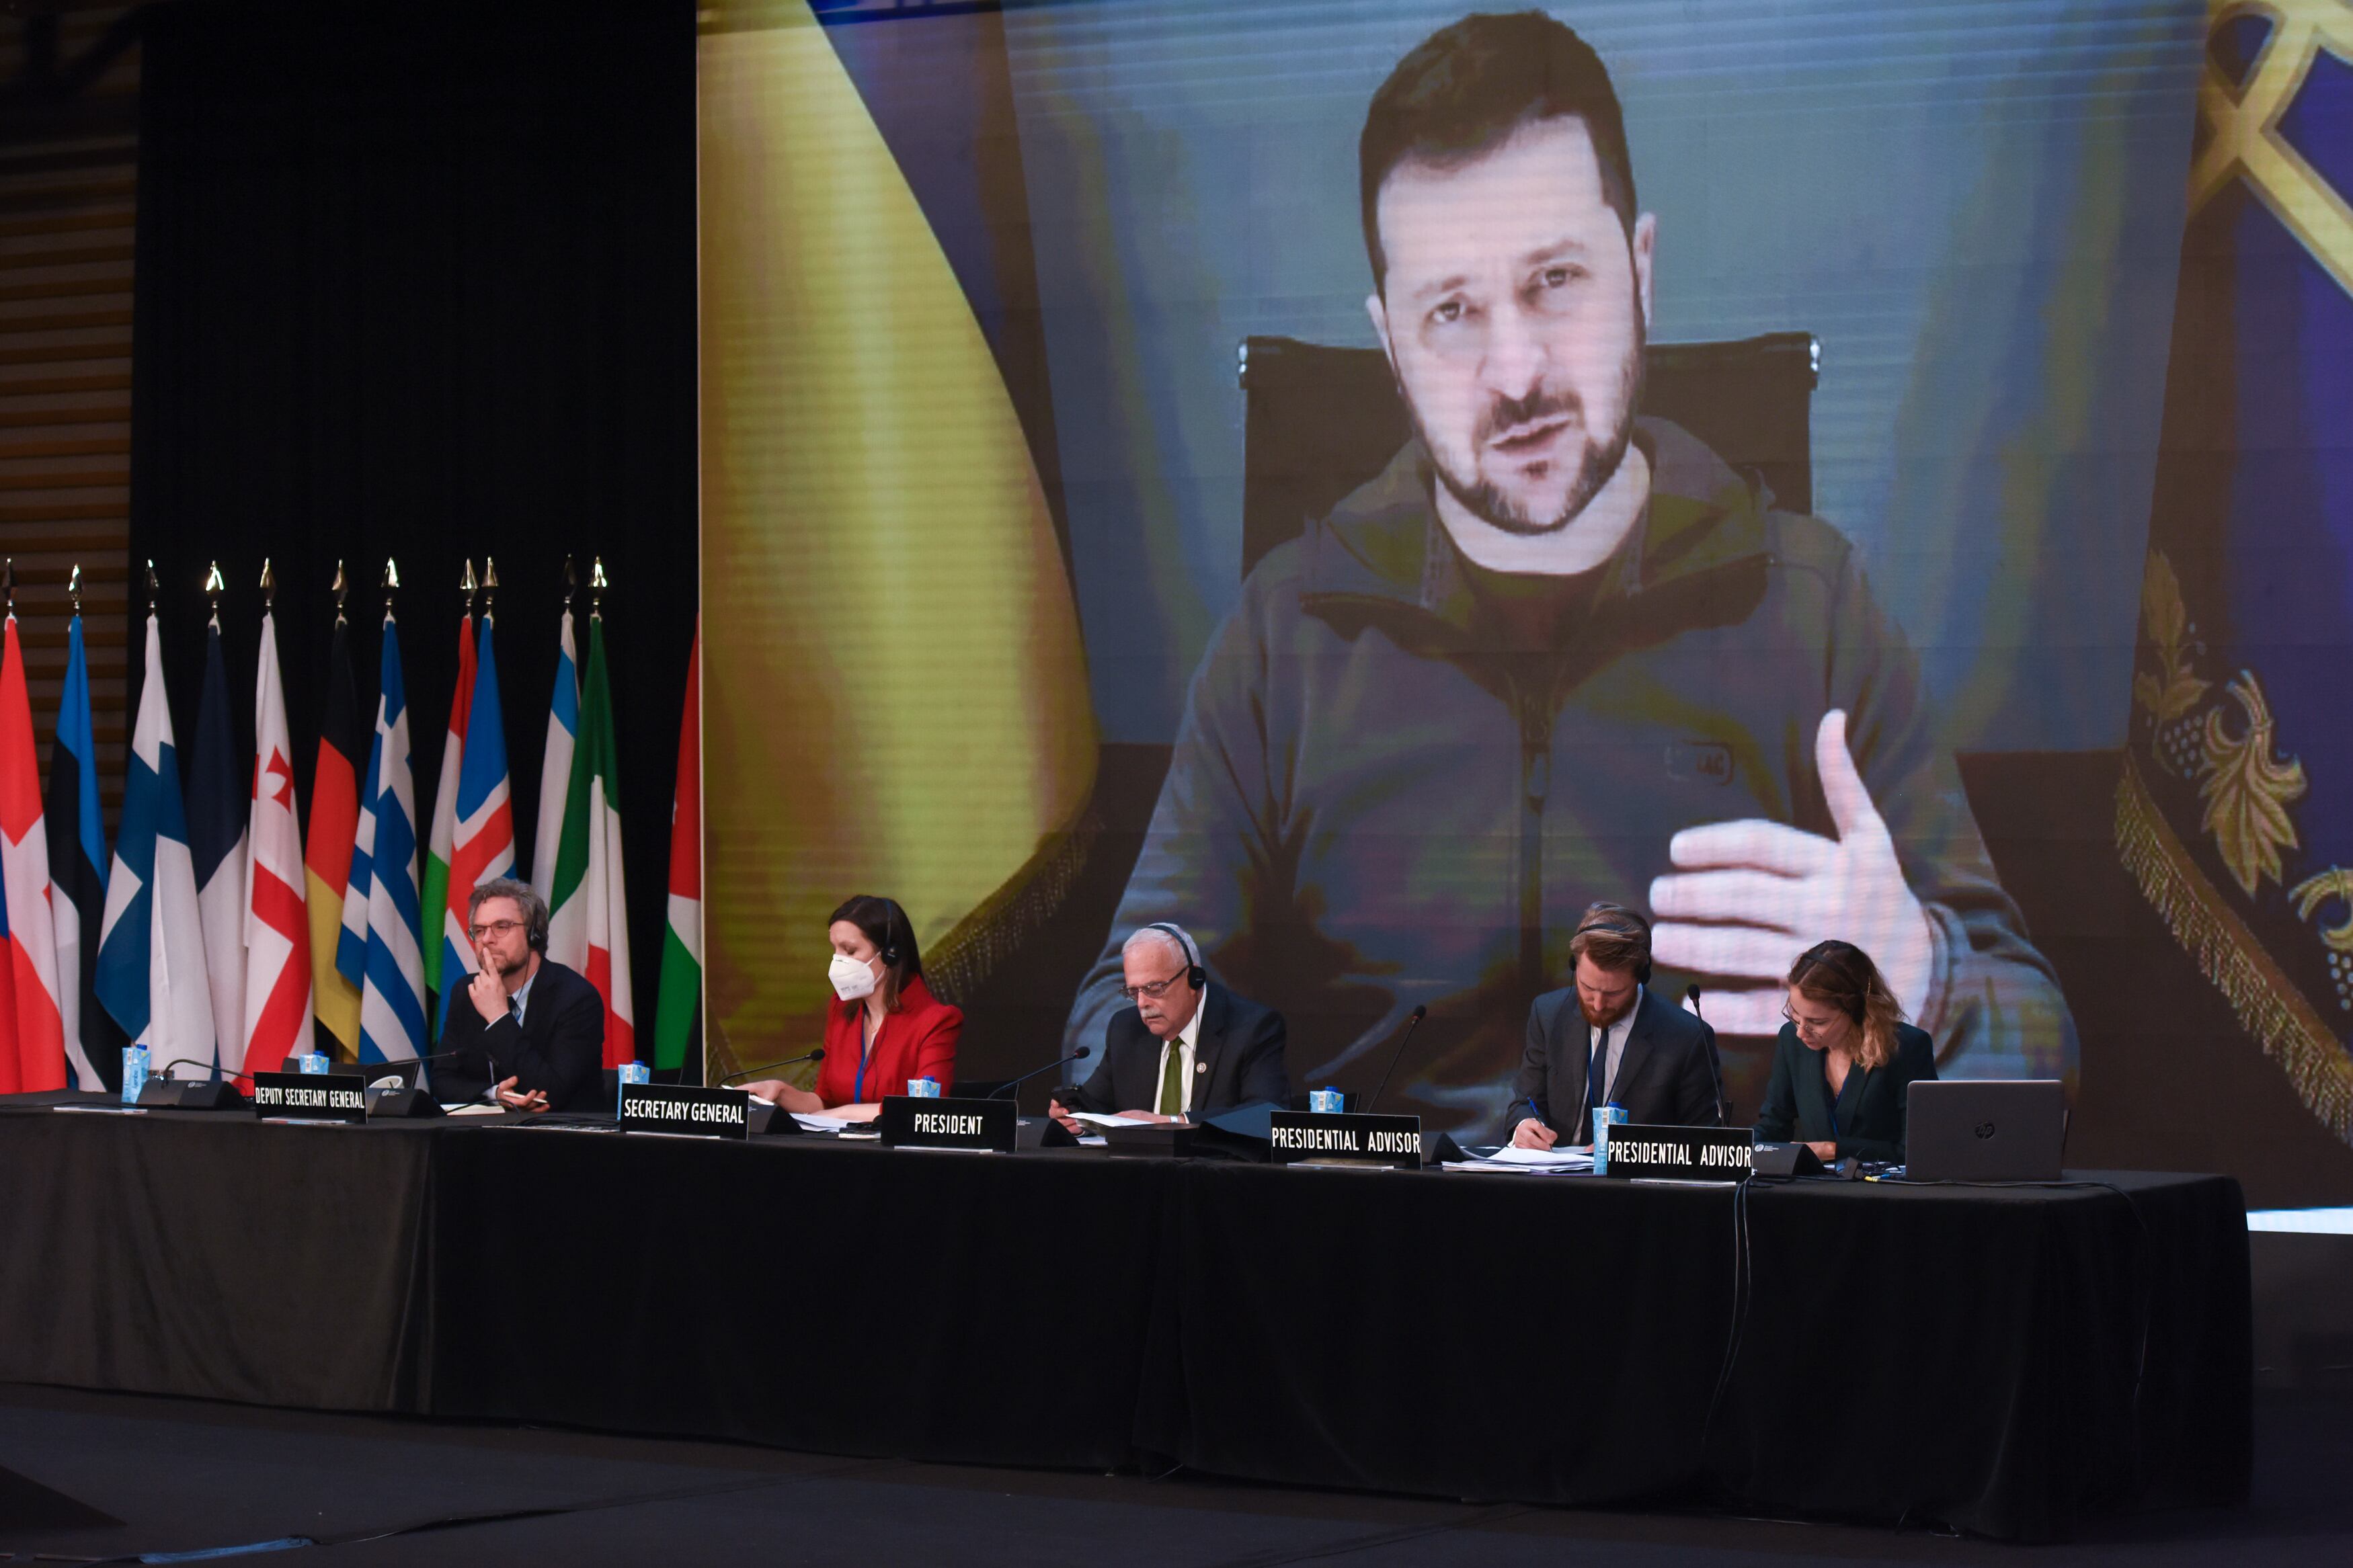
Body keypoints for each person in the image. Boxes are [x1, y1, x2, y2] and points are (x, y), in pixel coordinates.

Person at [1062, 9, 2073, 1136]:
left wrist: (1920, 975)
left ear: (1640, 270)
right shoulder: (1285, 634)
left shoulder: (1814, 608)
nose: (1516, 371)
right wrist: (1199, 1050)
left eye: (1555, 280)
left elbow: (2044, 1055)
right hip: (1367, 1249)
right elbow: (1109, 1013)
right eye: (1451, 310)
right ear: (1390, 341)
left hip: (1705, 1264)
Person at [1508, 903, 1720, 1147]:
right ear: (1574, 966)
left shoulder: (1687, 1038)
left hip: (1633, 1183)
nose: (1598, 1005)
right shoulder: (1548, 1014)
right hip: (1552, 1179)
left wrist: (1634, 1149)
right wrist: (1524, 1127)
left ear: (1642, 977)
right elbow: (1524, 1103)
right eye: (1587, 987)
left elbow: (1704, 1141)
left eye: (1614, 993)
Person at [1049, 923, 1288, 1132]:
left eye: (1154, 989)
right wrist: (1076, 1118)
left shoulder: (1251, 1028)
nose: (1142, 1004)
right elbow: (1097, 1105)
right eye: (1134, 992)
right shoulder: (1126, 1029)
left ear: (1194, 979)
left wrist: (1172, 1122)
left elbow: (1267, 1114)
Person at [741, 895, 959, 1121]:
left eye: (850, 950)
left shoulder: (936, 1021)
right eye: (835, 950)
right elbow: (823, 1101)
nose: (838, 961)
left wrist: (842, 1114)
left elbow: (924, 1109)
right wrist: (779, 1091)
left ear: (889, 954)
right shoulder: (841, 1009)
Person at [1753, 940, 1936, 1163]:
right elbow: (1773, 1126)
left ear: (1857, 1010)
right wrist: (1737, 1149)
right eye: (1794, 1015)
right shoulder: (1791, 1040)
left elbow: (1917, 1150)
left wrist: (1832, 1150)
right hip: (1809, 1192)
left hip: (1883, 1192)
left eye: (1817, 1022)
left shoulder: (1907, 1047)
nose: (1801, 1032)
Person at [436, 878, 606, 1112]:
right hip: (484, 1140)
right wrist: (494, 1095)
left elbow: (551, 1094)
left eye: (501, 927)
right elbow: (441, 1080)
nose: (487, 939)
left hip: (560, 1141)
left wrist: (498, 1018)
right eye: (479, 930)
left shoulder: (576, 998)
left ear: (533, 934)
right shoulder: (466, 992)